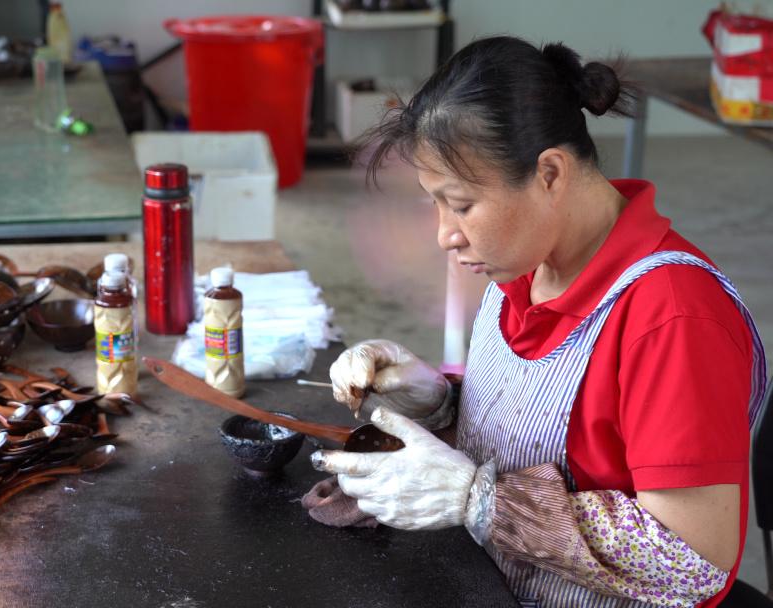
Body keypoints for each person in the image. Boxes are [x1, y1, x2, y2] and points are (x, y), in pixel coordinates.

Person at [310, 36, 767, 607]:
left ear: (549, 173)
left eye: (462, 204)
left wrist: (483, 502)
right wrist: (440, 404)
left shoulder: (673, 317)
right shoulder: (525, 267)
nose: (445, 234)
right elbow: (566, 442)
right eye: (436, 203)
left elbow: (694, 561)